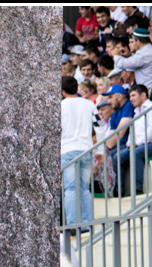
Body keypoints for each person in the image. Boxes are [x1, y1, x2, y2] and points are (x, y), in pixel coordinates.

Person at [62, 76, 99, 226]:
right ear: (76, 88)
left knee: (71, 189)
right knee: (84, 188)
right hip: (86, 149)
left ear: (63, 91)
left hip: (68, 150)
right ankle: (87, 223)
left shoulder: (61, 106)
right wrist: (101, 150)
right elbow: (100, 126)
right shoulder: (89, 104)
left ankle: (72, 224)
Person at [120, 84, 152, 195]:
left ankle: (138, 189)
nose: (130, 99)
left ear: (143, 95)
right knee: (117, 157)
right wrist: (130, 143)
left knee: (136, 152)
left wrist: (136, 143)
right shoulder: (136, 111)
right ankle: (118, 192)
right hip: (142, 145)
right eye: (130, 96)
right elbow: (133, 132)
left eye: (133, 95)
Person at [115, 28, 152, 103]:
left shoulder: (144, 53)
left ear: (138, 41)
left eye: (133, 41)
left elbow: (122, 64)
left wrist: (115, 55)